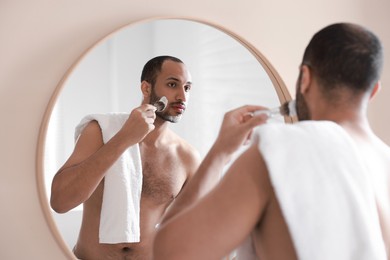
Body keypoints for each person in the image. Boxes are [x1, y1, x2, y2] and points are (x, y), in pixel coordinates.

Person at [153, 23, 390, 259]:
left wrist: (221, 152)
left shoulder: (282, 149)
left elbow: (170, 253)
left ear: (305, 77)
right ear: (373, 91)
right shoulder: (384, 163)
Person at [51, 56, 204, 260]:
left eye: (187, 88)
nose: (182, 97)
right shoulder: (100, 131)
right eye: (172, 84)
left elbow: (199, 229)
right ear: (146, 88)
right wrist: (123, 139)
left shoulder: (187, 157)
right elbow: (60, 202)